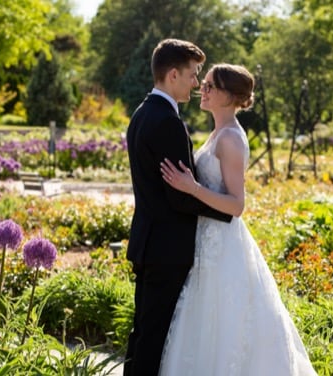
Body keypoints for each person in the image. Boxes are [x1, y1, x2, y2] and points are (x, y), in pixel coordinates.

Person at [159, 63, 318, 375]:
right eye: (202, 84)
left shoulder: (231, 139)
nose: (201, 90)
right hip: (207, 240)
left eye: (209, 86)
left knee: (226, 323)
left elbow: (236, 205)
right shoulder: (218, 132)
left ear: (230, 97)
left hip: (224, 243)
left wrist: (191, 188)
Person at [124, 39, 232, 376]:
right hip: (167, 248)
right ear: (173, 75)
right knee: (153, 339)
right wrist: (229, 211)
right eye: (192, 75)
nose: (197, 84)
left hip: (148, 242)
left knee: (143, 333)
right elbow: (179, 195)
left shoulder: (141, 114)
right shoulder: (168, 122)